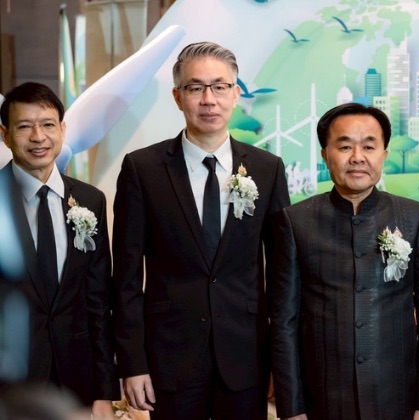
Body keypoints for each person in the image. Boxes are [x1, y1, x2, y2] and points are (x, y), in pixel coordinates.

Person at [112, 41, 290, 419]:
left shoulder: (267, 169)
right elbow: (126, 277)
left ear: (236, 94)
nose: (209, 99)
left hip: (246, 355)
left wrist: (283, 360)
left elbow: (281, 272)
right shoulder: (142, 169)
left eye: (220, 86)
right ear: (178, 97)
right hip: (169, 356)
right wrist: (132, 362)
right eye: (196, 87)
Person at [270, 103, 419, 420]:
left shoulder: (413, 217)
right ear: (325, 155)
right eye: (344, 146)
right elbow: (284, 322)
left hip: (398, 397)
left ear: (384, 154)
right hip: (323, 399)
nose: (357, 157)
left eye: (368, 146)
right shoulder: (296, 222)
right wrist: (292, 409)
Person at [0, 82, 118, 418]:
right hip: (12, 385)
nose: (38, 137)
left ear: (62, 130)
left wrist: (104, 391)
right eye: (24, 126)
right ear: (5, 135)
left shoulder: (90, 201)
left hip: (77, 379)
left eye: (48, 124)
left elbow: (98, 302)